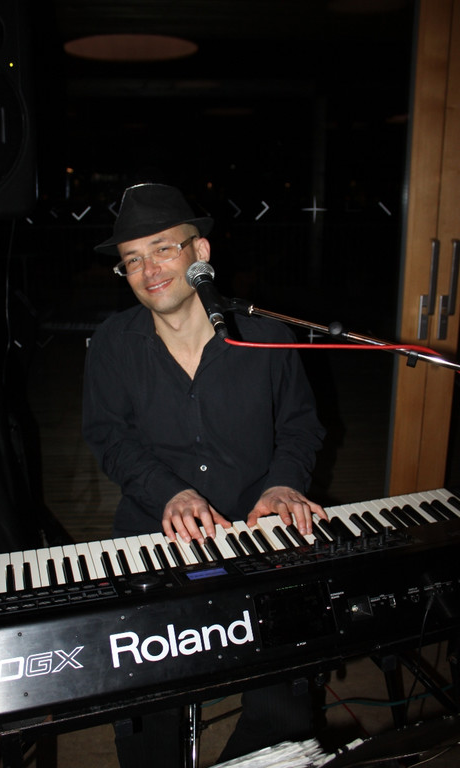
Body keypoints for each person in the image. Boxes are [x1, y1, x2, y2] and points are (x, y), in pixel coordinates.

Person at [82, 182, 328, 767]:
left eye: (163, 249)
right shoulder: (112, 343)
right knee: (140, 702)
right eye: (132, 260)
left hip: (258, 530)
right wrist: (170, 492)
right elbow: (109, 437)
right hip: (151, 533)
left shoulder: (267, 337)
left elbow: (300, 429)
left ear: (201, 252)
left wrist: (283, 482)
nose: (149, 270)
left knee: (289, 700)